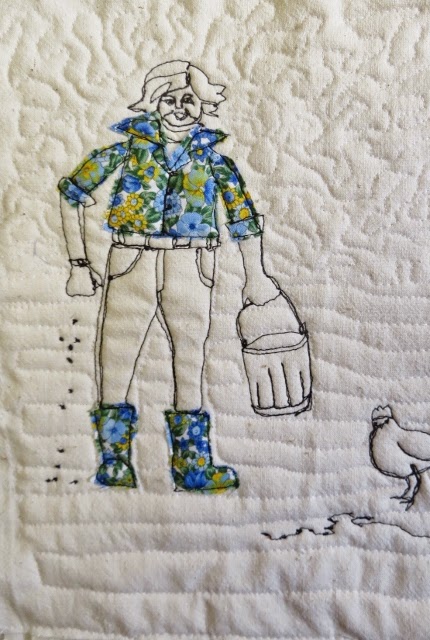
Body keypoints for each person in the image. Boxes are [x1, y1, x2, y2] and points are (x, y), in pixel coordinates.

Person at [58, 60, 305, 492]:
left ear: (202, 104)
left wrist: (257, 276)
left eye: (188, 99)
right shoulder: (128, 150)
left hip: (191, 263)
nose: (178, 107)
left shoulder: (214, 161)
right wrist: (79, 263)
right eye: (168, 99)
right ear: (153, 104)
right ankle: (113, 462)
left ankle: (192, 466)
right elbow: (71, 191)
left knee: (190, 359)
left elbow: (243, 219)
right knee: (117, 354)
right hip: (131, 258)